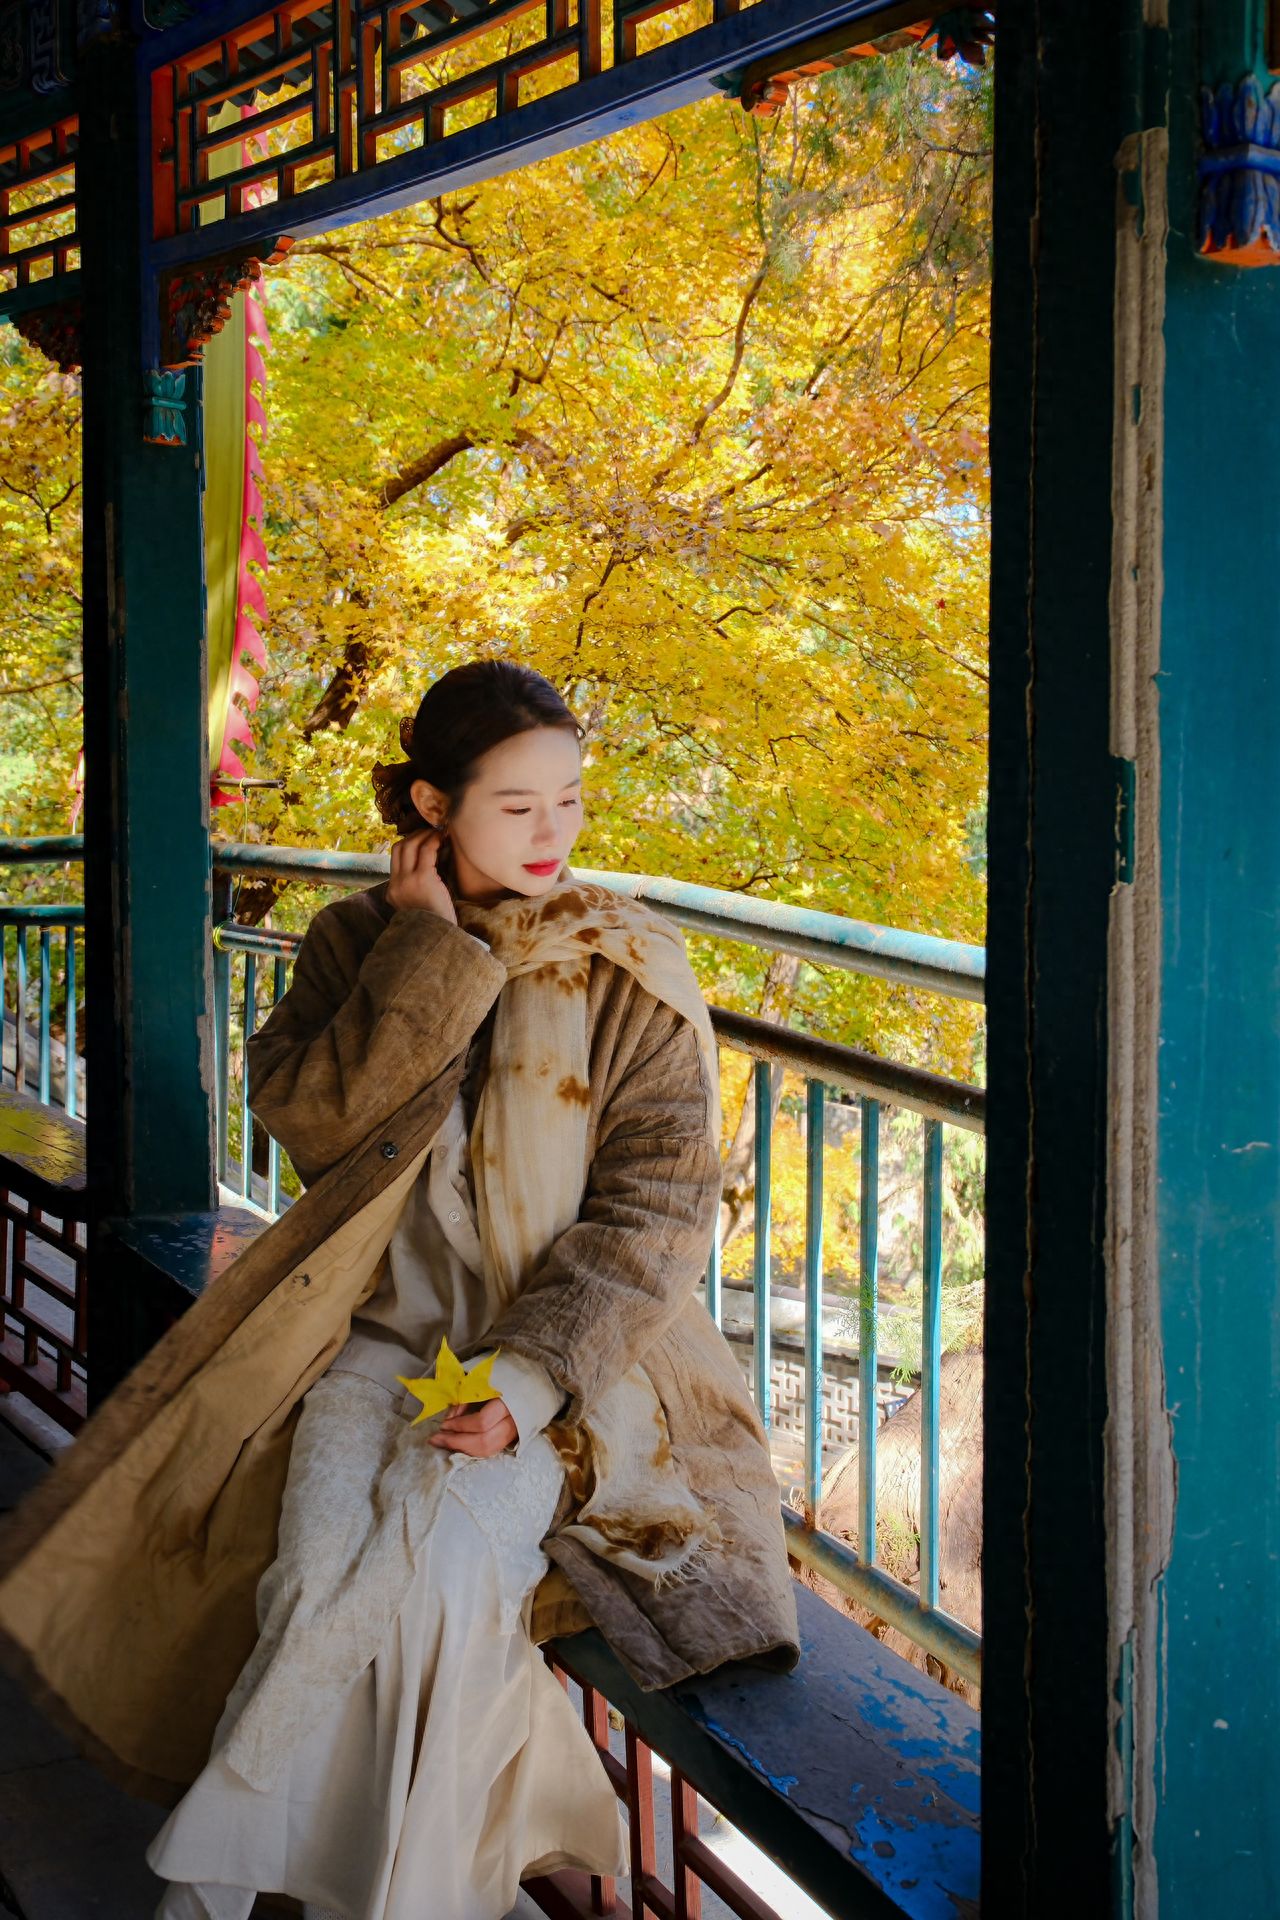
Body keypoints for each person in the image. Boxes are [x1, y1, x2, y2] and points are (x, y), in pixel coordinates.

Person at [0, 661, 799, 1920]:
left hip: (576, 1372)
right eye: (516, 805)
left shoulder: (624, 963)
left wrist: (528, 1382)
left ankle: (227, 1896)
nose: (552, 831)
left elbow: (657, 1210)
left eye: (569, 800)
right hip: (375, 1336)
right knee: (312, 1579)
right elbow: (315, 1128)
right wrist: (430, 950)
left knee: (434, 1589)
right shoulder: (356, 942)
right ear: (434, 805)